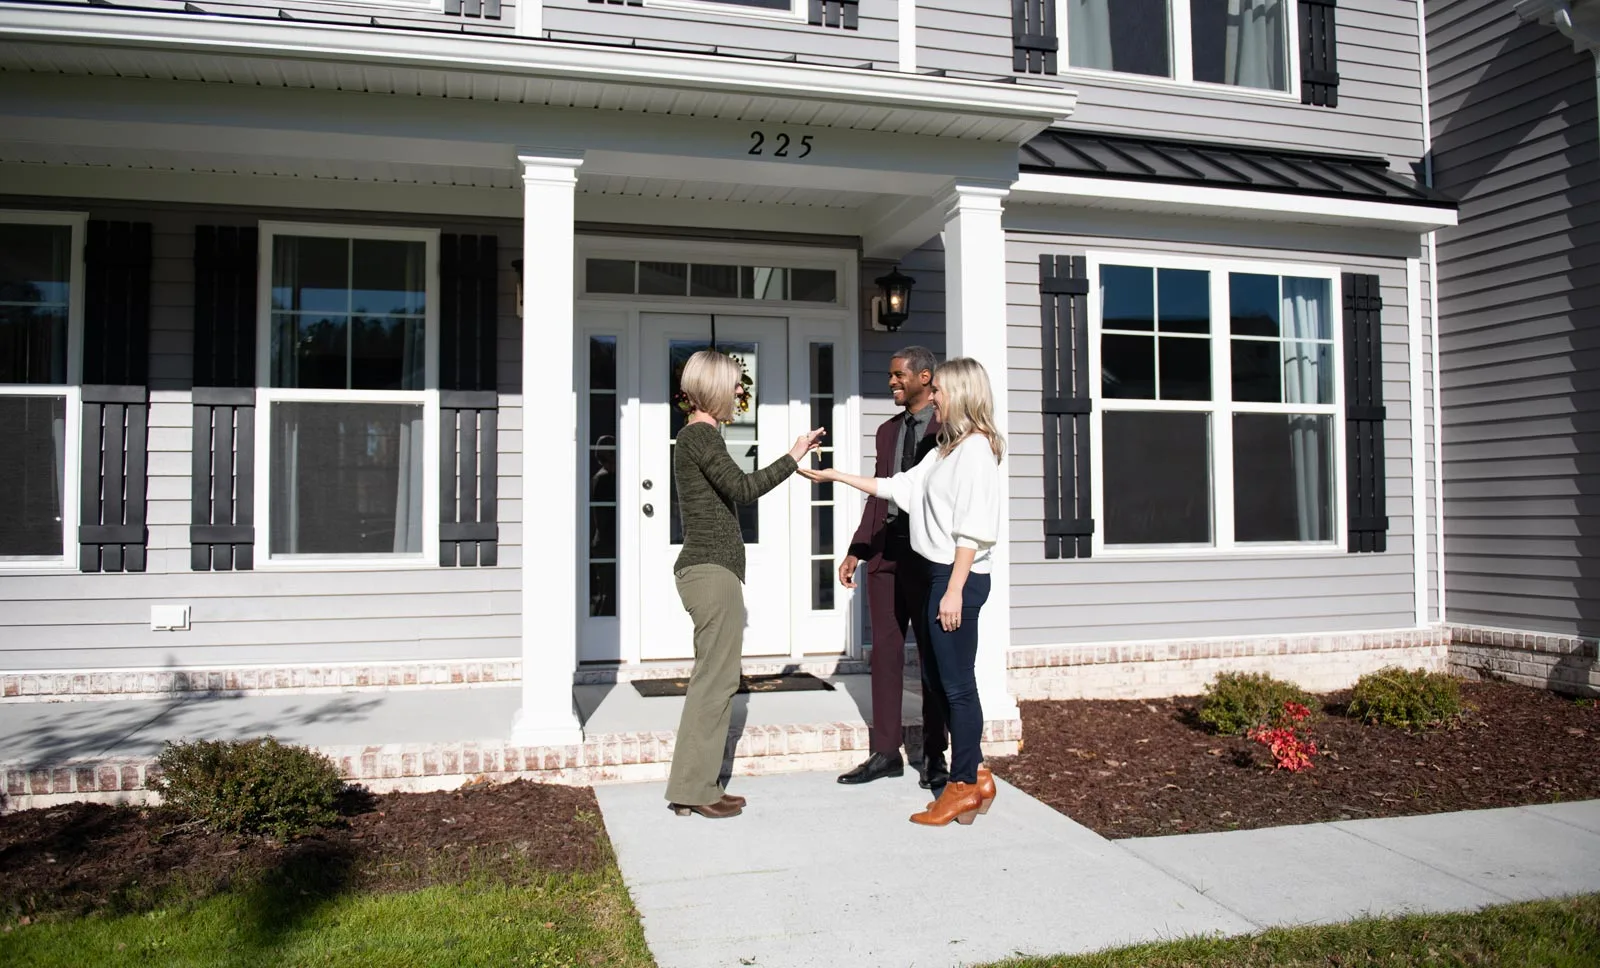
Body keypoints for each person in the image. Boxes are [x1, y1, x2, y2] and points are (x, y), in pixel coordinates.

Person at [801, 357, 1003, 826]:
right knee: (937, 680)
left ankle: (963, 784)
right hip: (939, 576)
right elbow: (897, 487)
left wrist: (954, 590)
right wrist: (835, 476)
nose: (936, 398)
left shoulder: (975, 452)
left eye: (943, 391)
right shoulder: (945, 451)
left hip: (957, 577)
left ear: (963, 394)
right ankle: (976, 777)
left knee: (956, 686)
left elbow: (975, 530)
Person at [667, 349, 824, 819]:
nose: (740, 391)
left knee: (713, 681)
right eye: (735, 383)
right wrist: (793, 457)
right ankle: (695, 790)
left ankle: (697, 785)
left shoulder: (698, 436)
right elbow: (744, 489)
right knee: (715, 684)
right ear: (715, 387)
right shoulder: (701, 436)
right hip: (710, 573)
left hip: (712, 572)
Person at [835, 346, 950, 789]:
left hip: (929, 557)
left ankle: (936, 757)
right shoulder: (886, 432)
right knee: (883, 652)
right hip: (886, 555)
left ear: (925, 377)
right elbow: (878, 493)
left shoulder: (950, 428)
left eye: (899, 375)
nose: (892, 383)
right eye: (890, 375)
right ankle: (885, 753)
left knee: (931, 655)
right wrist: (856, 550)